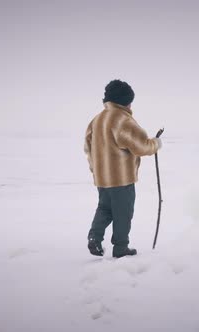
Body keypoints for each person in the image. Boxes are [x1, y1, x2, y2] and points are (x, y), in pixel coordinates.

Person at [84, 79, 162, 258]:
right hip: (121, 178)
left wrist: (95, 170)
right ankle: (121, 247)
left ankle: (94, 237)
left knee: (104, 208)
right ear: (124, 100)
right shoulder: (122, 120)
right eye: (129, 100)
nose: (131, 104)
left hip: (102, 178)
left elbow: (87, 147)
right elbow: (140, 146)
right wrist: (155, 144)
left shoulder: (96, 120)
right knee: (123, 212)